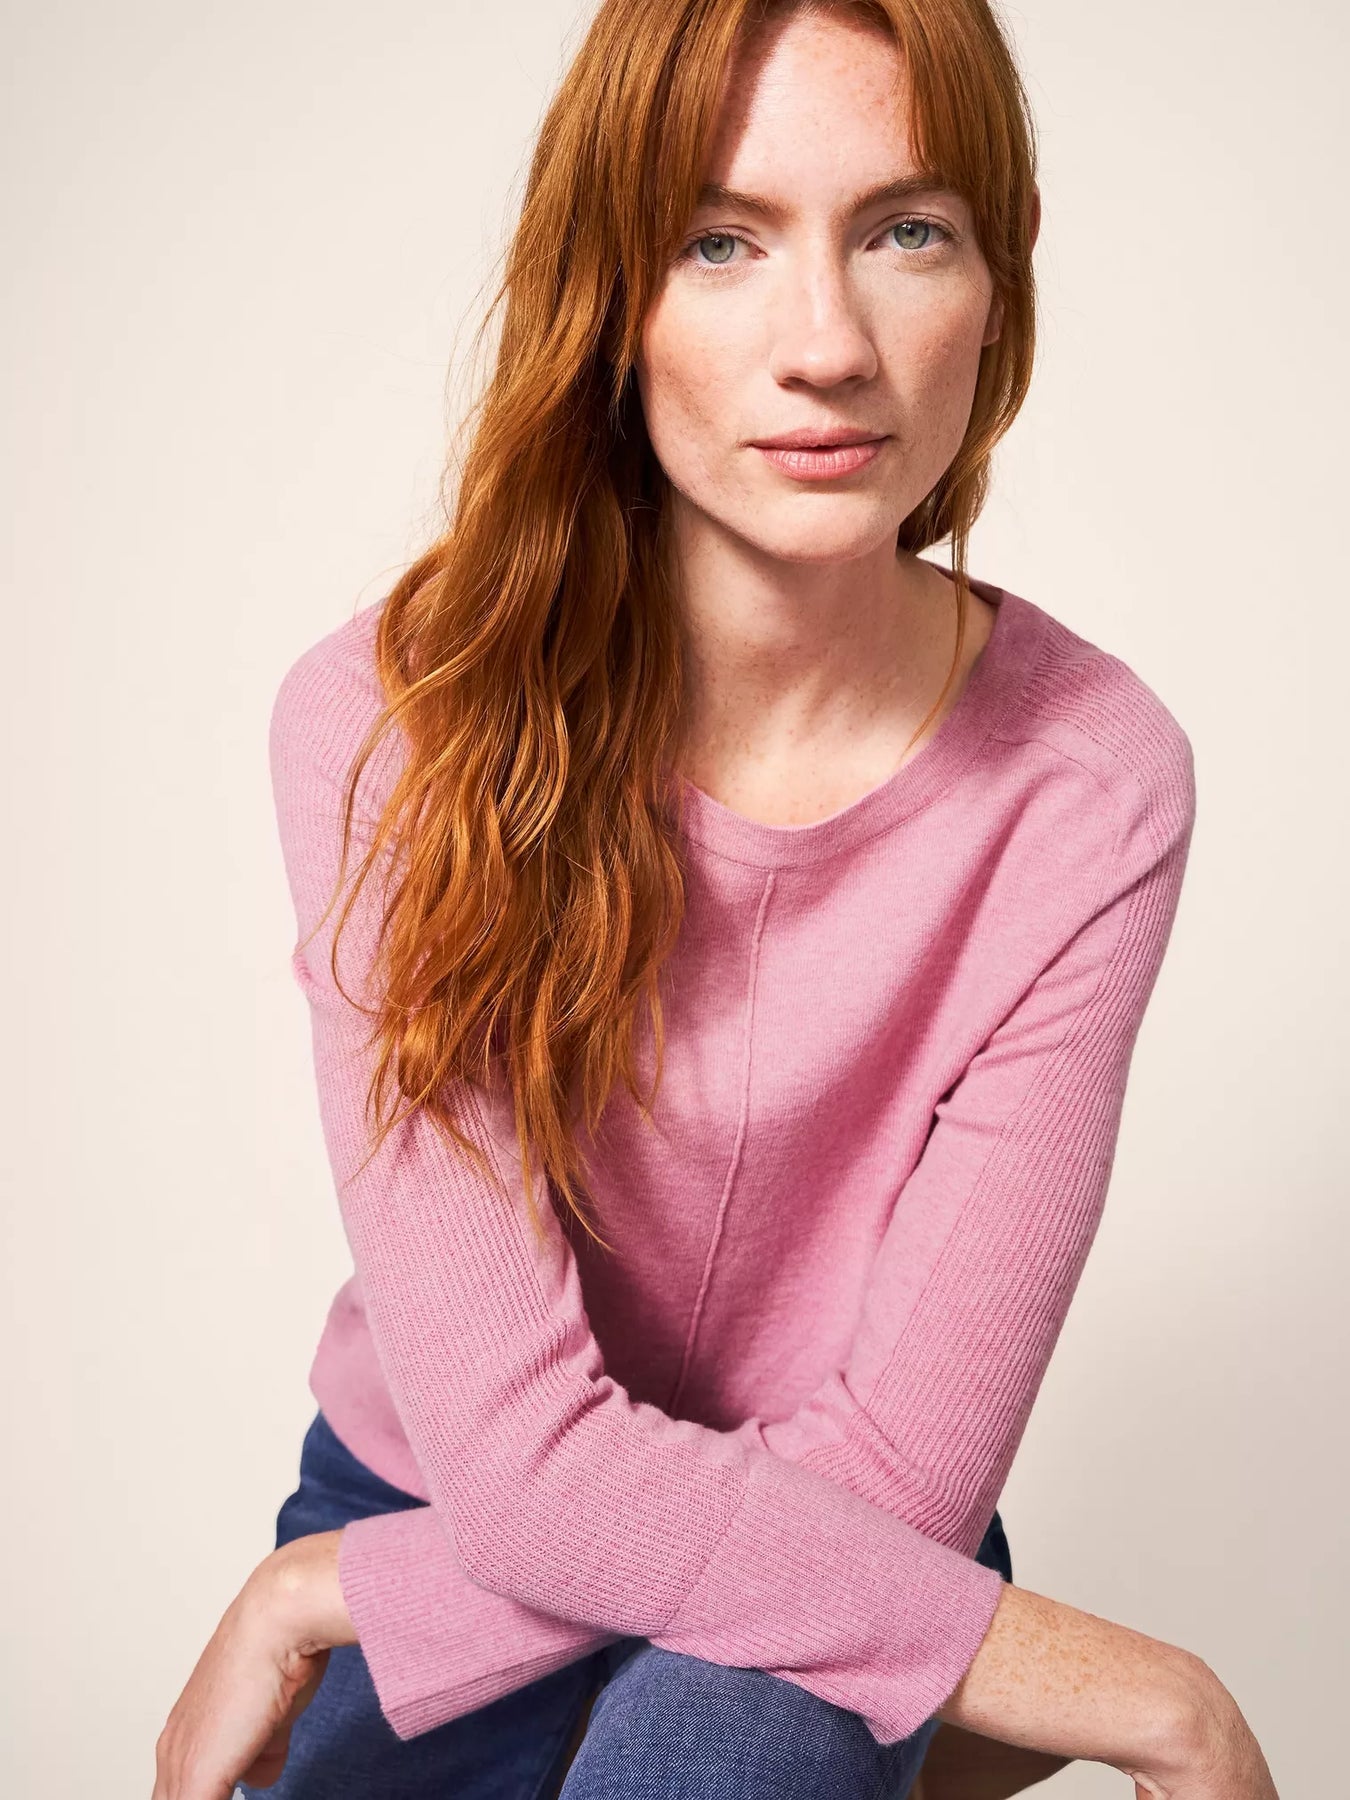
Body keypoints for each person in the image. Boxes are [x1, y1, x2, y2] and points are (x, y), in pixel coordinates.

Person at [152, 1, 1280, 1797]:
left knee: (720, 1741)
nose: (825, 345)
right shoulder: (388, 723)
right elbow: (520, 1469)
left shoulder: (1087, 779)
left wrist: (341, 1599)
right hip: (447, 1501)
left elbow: (900, 1481)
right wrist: (1135, 1693)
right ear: (611, 292)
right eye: (718, 241)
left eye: (905, 231)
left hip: (844, 1535)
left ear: (999, 276)